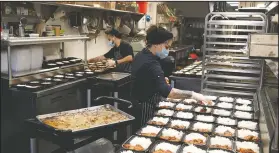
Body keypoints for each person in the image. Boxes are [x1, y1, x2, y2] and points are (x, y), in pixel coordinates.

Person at [131, 25, 212, 128]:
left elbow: (144, 77)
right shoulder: (151, 63)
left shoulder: (142, 54)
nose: (167, 50)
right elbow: (169, 92)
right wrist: (193, 95)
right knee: (144, 131)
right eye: (167, 47)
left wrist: (156, 80)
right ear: (156, 44)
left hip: (137, 102)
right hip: (145, 106)